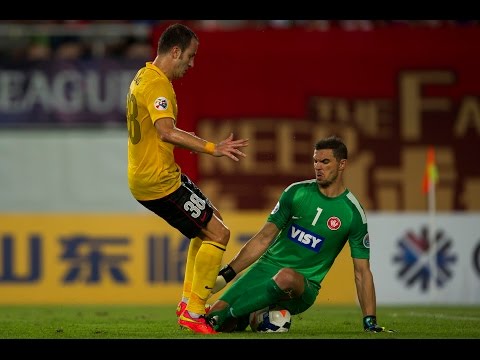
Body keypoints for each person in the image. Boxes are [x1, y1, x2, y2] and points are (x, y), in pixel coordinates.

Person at [126, 23, 249, 335]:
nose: (191, 64)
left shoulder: (143, 75)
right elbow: (166, 132)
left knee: (211, 226)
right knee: (219, 234)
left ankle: (188, 302)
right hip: (158, 181)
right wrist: (213, 148)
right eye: (190, 57)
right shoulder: (158, 85)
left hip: (156, 175)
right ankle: (194, 311)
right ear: (175, 51)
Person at [206, 135, 393, 333]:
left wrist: (370, 321)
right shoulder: (296, 193)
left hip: (303, 286)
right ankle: (243, 315)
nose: (318, 167)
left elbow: (362, 272)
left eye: (325, 161)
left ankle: (234, 313)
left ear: (342, 164)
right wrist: (227, 275)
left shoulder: (352, 213)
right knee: (214, 322)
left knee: (285, 276)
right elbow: (263, 238)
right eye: (315, 161)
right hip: (265, 270)